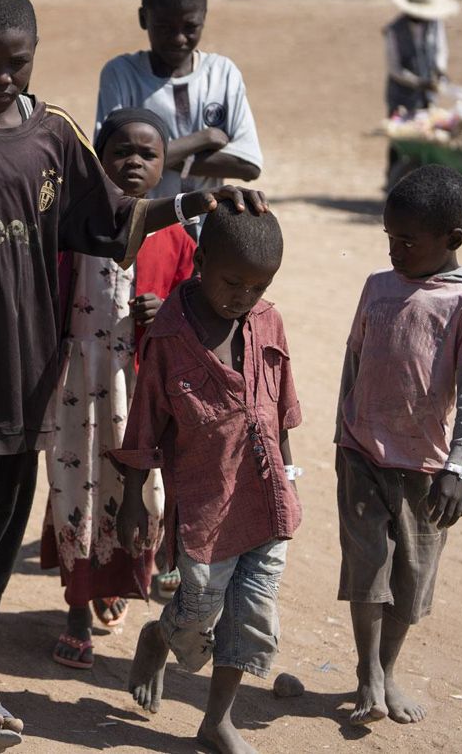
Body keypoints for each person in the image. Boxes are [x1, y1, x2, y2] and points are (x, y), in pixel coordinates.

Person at [0, 0, 264, 752]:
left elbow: (114, 223)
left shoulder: (55, 135)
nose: (2, 77)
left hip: (28, 373)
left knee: (4, 533)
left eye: (17, 63)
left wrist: (198, 207)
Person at [116, 208, 299, 754]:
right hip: (204, 512)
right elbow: (144, 426)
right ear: (200, 262)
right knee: (198, 616)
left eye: (259, 285)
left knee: (252, 619)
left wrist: (288, 479)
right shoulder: (170, 337)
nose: (244, 296)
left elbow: (280, 410)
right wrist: (132, 501)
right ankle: (160, 636)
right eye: (233, 282)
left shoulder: (269, 321)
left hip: (267, 505)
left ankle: (215, 720)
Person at [337, 165, 462, 727]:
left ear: (452, 239)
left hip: (426, 468)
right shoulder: (378, 286)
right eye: (389, 238)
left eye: (408, 240)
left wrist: (461, 468)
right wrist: (342, 432)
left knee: (408, 579)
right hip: (361, 454)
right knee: (367, 568)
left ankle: (388, 666)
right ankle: (367, 675)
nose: (396, 250)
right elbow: (353, 360)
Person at [43, 109, 196, 671]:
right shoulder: (72, 225)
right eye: (120, 152)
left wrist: (167, 313)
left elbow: (196, 312)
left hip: (139, 389)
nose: (133, 162)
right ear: (98, 160)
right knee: (74, 489)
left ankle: (119, 577)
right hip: (75, 385)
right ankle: (77, 610)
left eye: (147, 154)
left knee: (143, 492)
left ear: (164, 167)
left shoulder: (176, 237)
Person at [96, 0, 262, 216]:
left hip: (207, 229)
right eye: (165, 27)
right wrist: (201, 140)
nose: (179, 38)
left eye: (190, 27)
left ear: (203, 18)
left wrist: (150, 159)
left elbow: (248, 164)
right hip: (145, 227)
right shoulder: (121, 74)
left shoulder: (222, 74)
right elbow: (107, 162)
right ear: (144, 18)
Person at [383, 0, 458, 183]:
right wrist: (418, 82)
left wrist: (440, 71)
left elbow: (441, 50)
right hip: (402, 92)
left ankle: (423, 180)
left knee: (426, 134)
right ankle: (392, 180)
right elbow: (395, 68)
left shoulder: (434, 25)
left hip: (427, 94)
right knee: (400, 138)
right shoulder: (394, 30)